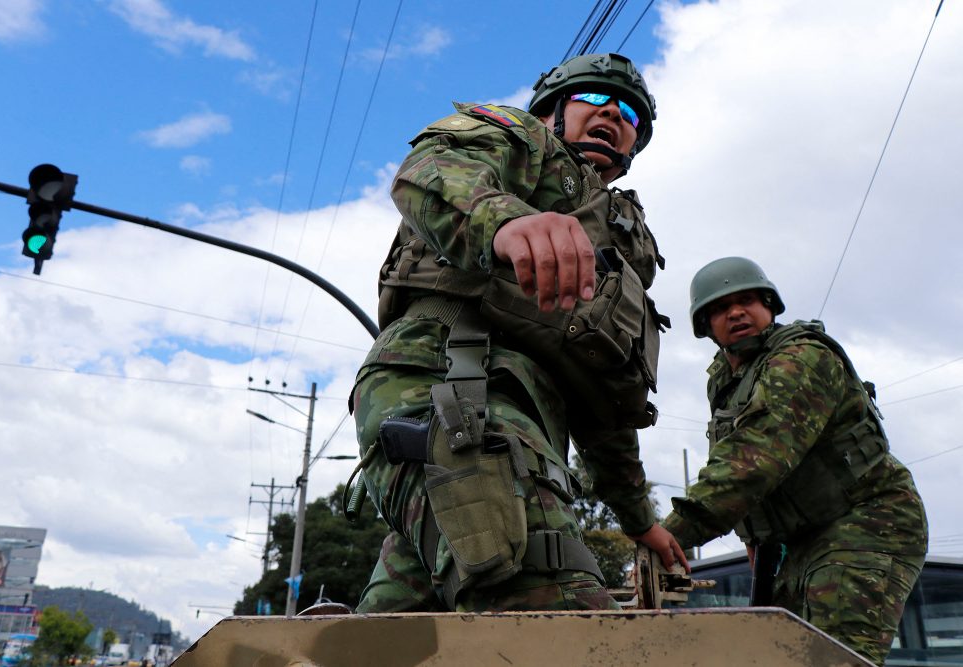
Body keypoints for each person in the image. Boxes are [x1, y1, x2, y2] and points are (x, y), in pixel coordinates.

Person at [348, 53, 688, 613]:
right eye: (594, 99)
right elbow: (433, 170)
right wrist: (503, 221)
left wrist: (639, 519)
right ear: (553, 111)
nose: (613, 115)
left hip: (518, 434)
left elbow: (607, 399)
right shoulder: (518, 143)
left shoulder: (624, 241)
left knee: (398, 636)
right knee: (556, 609)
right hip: (448, 385)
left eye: (629, 112)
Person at [662, 256, 928, 665]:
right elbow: (727, 460)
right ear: (705, 327)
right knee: (782, 656)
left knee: (830, 659)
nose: (735, 312)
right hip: (798, 539)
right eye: (719, 308)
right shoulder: (725, 380)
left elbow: (754, 460)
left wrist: (671, 535)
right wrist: (754, 536)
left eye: (747, 299)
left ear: (769, 305)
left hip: (866, 522)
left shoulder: (801, 358)